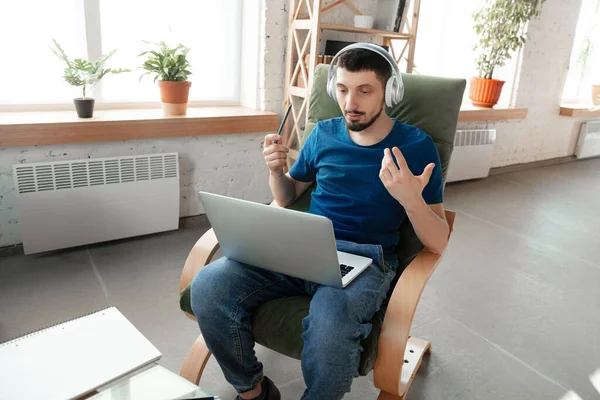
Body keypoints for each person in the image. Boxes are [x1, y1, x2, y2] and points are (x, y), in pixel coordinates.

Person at [191, 43, 449, 400]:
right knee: (208, 285)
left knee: (330, 326)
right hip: (301, 246)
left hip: (365, 259)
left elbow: (438, 240)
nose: (350, 103)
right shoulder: (324, 134)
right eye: (342, 90)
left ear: (389, 91)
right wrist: (276, 170)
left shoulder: (417, 146)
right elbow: (286, 195)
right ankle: (253, 392)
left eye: (364, 90)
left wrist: (411, 199)